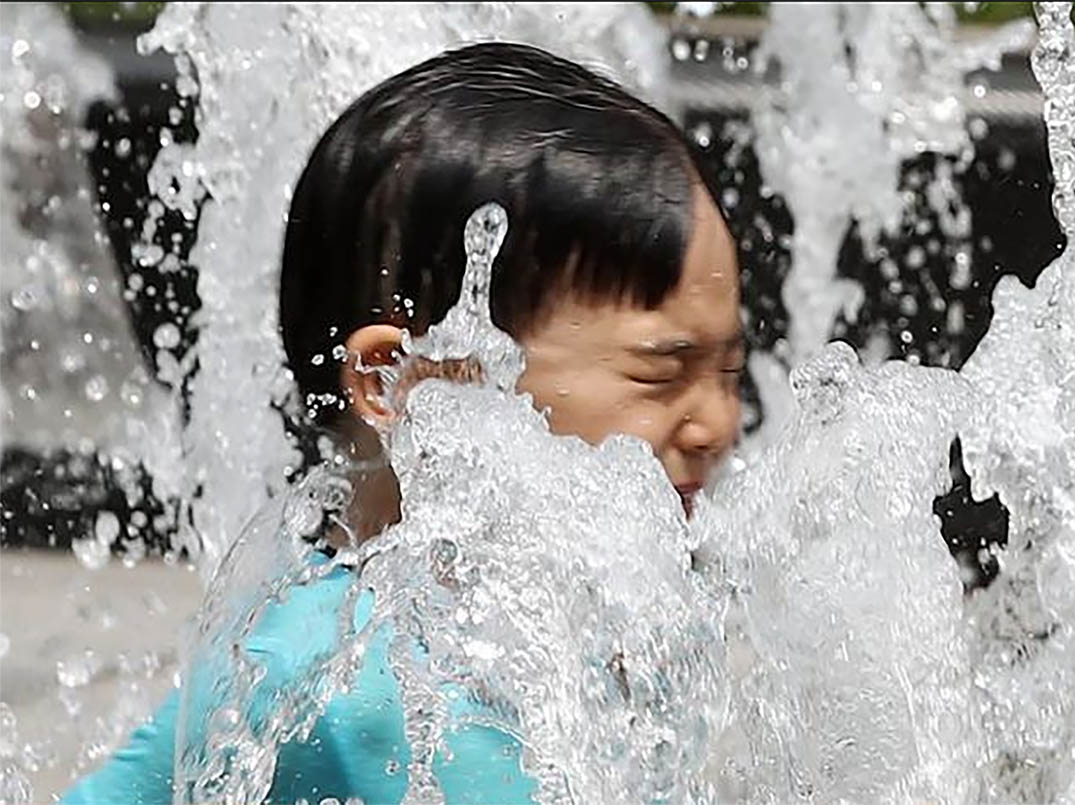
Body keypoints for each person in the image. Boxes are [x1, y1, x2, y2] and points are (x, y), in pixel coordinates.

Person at [63, 41, 742, 804]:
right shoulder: (325, 675)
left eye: (729, 372)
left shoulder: (619, 625)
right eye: (660, 371)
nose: (716, 422)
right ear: (404, 381)